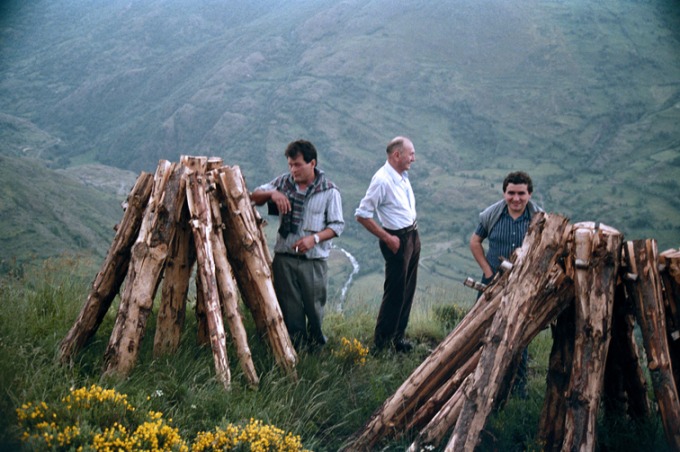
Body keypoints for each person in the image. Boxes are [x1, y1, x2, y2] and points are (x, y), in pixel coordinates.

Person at [251, 139, 344, 350]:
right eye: (290, 165)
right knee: (290, 308)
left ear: (312, 163)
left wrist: (315, 239)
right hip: (285, 257)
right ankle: (297, 348)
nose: (293, 169)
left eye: (298, 165)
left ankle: (317, 347)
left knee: (314, 308)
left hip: (313, 261)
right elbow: (254, 196)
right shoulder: (283, 183)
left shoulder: (329, 190)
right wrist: (273, 194)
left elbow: (337, 225)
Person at [469, 170, 543, 397]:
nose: (516, 198)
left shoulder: (539, 218)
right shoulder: (492, 214)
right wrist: (488, 272)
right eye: (511, 193)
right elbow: (475, 242)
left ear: (529, 194)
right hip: (491, 282)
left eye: (521, 193)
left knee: (518, 334)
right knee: (481, 328)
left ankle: (517, 387)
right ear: (504, 193)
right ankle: (477, 378)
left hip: (523, 284)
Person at [355, 136, 420, 353]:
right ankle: (381, 346)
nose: (414, 158)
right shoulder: (382, 179)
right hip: (396, 239)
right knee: (394, 293)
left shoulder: (402, 175)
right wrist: (387, 237)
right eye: (411, 154)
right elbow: (362, 214)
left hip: (411, 235)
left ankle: (397, 339)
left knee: (407, 290)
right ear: (397, 155)